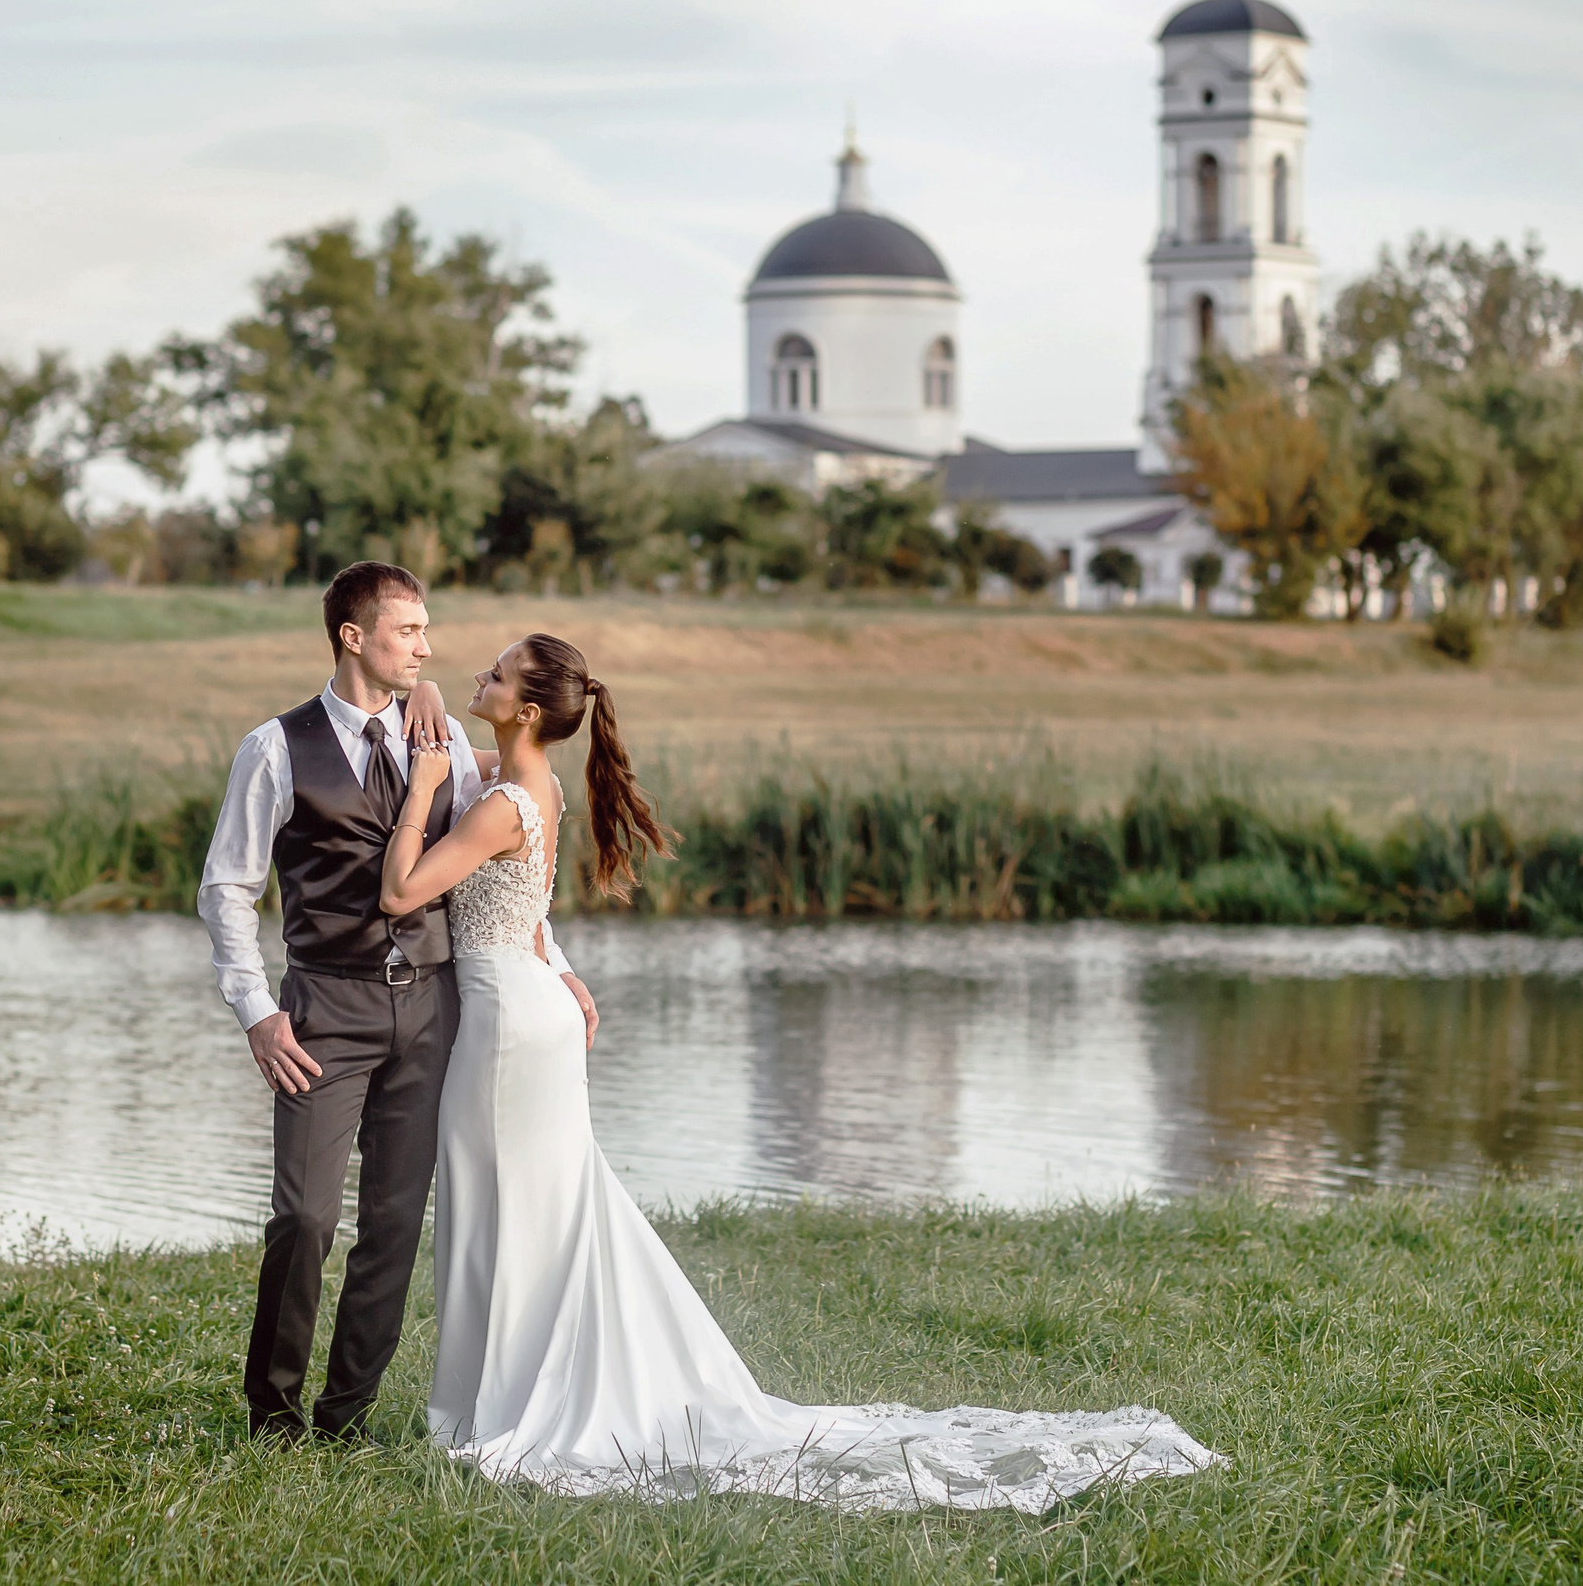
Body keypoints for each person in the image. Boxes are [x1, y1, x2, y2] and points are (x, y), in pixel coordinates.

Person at [379, 632, 1224, 1512]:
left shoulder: (497, 803)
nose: (479, 671)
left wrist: (422, 800)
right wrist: (433, 702)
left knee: (509, 1205)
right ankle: (501, 1397)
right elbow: (437, 746)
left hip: (512, 1024)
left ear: (524, 709)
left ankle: (506, 1408)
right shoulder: (532, 783)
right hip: (528, 1006)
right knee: (532, 1207)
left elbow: (402, 892)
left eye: (497, 671)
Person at [196, 562, 596, 1446]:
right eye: (408, 632)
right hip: (323, 1009)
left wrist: (556, 961)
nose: (425, 645)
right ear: (353, 636)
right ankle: (274, 1413)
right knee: (305, 1215)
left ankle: (346, 1417)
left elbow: (505, 870)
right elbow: (227, 887)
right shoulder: (274, 746)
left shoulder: (446, 730)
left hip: (434, 1009)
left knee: (393, 1218)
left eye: (426, 631)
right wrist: (259, 1011)